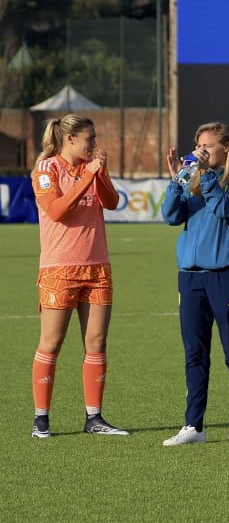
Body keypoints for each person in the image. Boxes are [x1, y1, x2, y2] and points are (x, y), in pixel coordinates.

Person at [29, 113, 128, 438]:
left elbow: (112, 202)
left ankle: (94, 418)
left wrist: (101, 174)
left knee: (97, 342)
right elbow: (56, 211)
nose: (95, 144)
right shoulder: (47, 168)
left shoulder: (91, 169)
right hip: (59, 269)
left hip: (98, 267)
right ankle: (41, 419)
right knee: (52, 342)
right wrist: (87, 175)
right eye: (90, 139)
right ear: (70, 139)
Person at [161, 122, 229, 447]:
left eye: (208, 146)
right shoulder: (193, 179)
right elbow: (171, 215)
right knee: (195, 354)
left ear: (226, 147)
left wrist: (206, 175)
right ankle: (194, 425)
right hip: (190, 278)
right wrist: (178, 181)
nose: (201, 152)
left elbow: (226, 209)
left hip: (225, 276)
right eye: (198, 146)